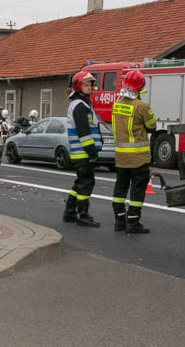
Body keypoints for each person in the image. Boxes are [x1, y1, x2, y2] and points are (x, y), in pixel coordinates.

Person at [111, 70, 157, 233]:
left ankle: (119, 220)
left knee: (120, 187)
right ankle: (133, 222)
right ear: (140, 87)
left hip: (121, 157)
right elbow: (152, 126)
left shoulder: (116, 105)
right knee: (137, 189)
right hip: (138, 158)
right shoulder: (142, 106)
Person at [62, 71, 102, 227]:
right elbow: (83, 131)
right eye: (86, 85)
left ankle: (70, 212)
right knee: (86, 183)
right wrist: (92, 152)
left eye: (91, 84)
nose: (90, 87)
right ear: (78, 86)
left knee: (80, 183)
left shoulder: (81, 104)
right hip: (83, 152)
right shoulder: (80, 106)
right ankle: (83, 215)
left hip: (80, 152)